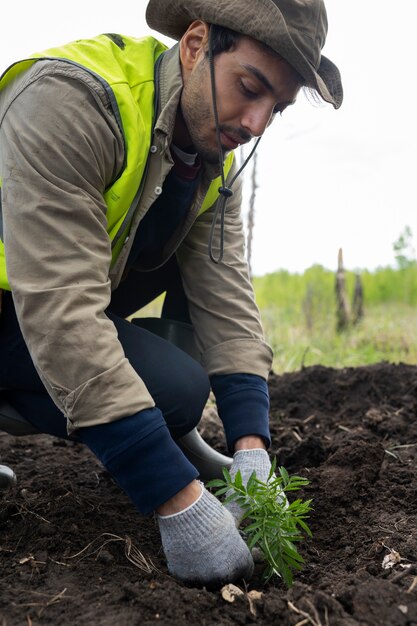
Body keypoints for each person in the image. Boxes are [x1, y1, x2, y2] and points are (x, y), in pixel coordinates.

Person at [0, 0, 342, 586]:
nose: (256, 122)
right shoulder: (71, 101)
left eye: (275, 108)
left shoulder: (209, 154)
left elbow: (226, 297)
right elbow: (62, 312)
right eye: (250, 87)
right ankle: (155, 456)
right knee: (167, 392)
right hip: (28, 302)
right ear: (195, 44)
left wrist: (252, 450)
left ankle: (171, 445)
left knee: (179, 390)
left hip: (56, 298)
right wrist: (177, 501)